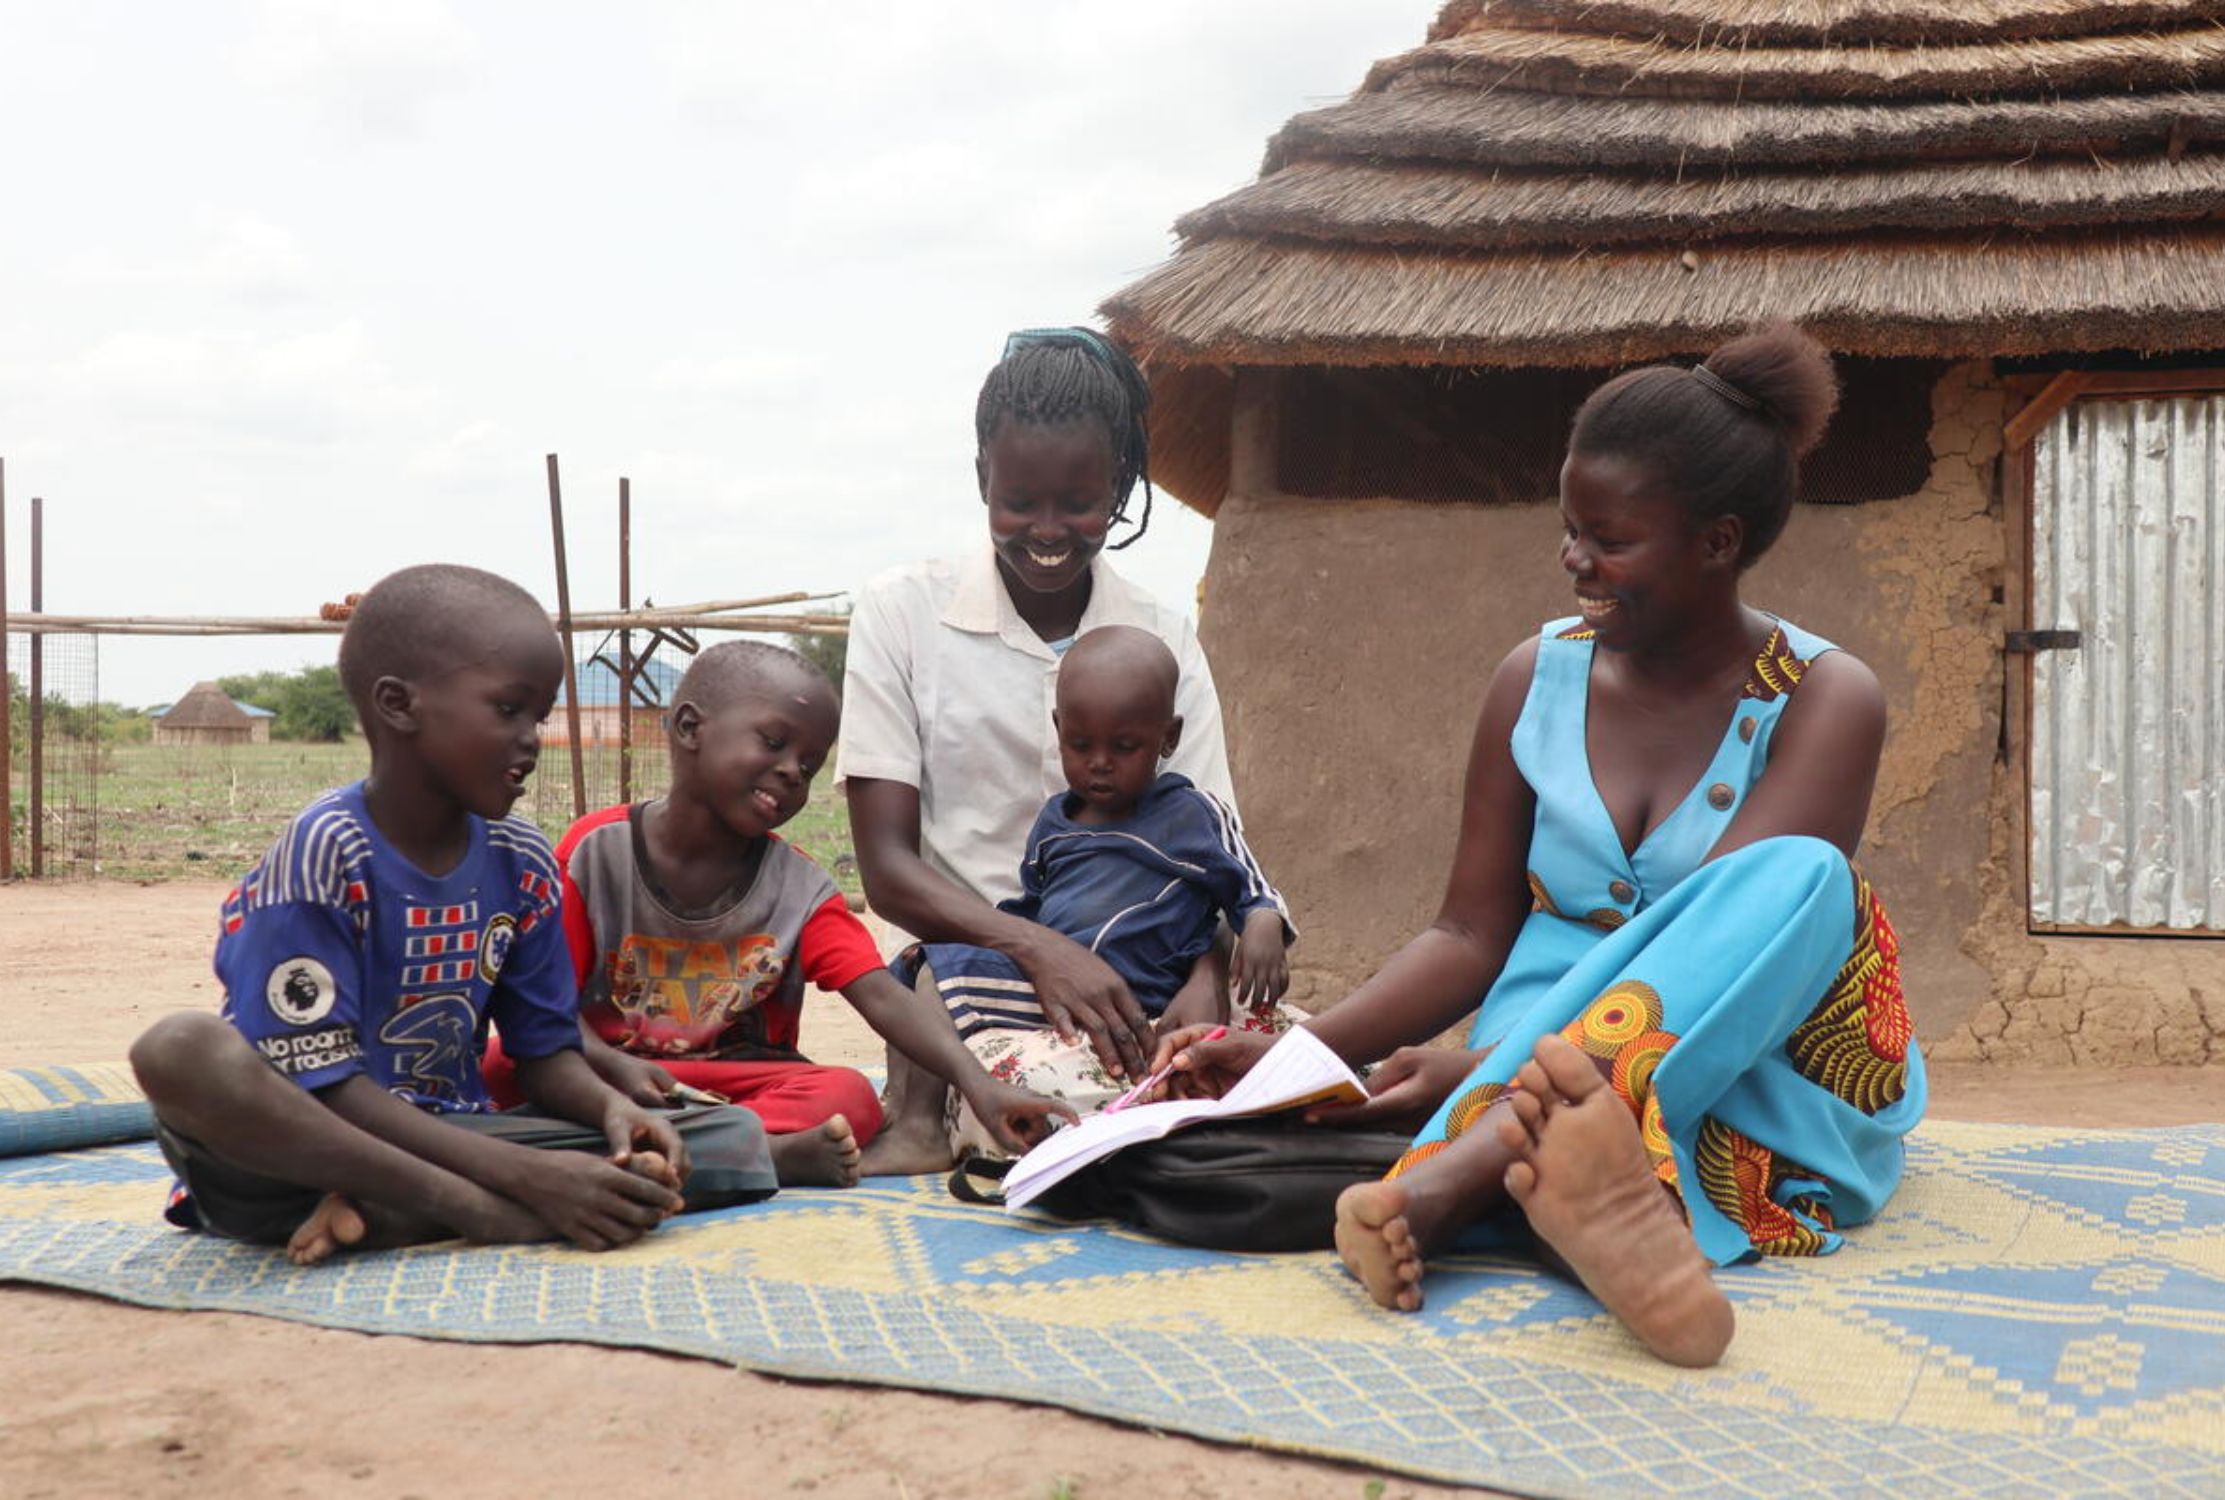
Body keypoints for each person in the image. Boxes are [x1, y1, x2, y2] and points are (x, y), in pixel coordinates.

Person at [1156, 326, 1925, 1369]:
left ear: (1716, 540)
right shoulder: (1534, 679)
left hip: (1748, 1074)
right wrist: (1310, 1054)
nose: (1574, 560)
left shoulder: (1825, 699)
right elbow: (1470, 931)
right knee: (1522, 1094)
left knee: (1803, 878)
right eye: (1569, 529)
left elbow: (1741, 959)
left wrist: (1481, 1070)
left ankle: (1460, 1179)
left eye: (1608, 538)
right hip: (1523, 1058)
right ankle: (1576, 1193)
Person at [129, 564, 779, 1267]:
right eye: (509, 710)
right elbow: (329, 1089)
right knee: (178, 1050)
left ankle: (391, 1215)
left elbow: (546, 1056)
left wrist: (609, 1111)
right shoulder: (326, 852)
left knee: (723, 1137)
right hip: (294, 1147)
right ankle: (472, 1212)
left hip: (451, 1136)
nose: (533, 736)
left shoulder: (522, 862)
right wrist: (519, 1178)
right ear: (399, 706)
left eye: (541, 714)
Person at [838, 327, 1240, 1172]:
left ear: (1122, 488)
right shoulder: (902, 616)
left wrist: (1205, 983)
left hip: (1145, 975)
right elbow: (886, 869)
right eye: (1019, 500)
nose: (1047, 529)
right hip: (972, 975)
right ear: (983, 477)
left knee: (1258, 1081)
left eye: (1080, 502)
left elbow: (1212, 852)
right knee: (1031, 1124)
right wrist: (1039, 949)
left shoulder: (1161, 642)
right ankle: (933, 1118)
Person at [480, 639, 1074, 1182]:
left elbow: (881, 995)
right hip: (603, 1073)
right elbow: (548, 1010)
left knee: (848, 1096)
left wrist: (981, 1084)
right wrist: (609, 1066)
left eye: (810, 765)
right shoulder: (594, 854)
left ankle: (637, 1151)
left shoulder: (799, 888)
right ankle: (761, 1156)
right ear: (690, 728)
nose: (793, 771)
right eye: (773, 742)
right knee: (503, 1061)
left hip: (726, 1088)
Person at [899, 625, 1293, 1133]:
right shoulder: (1053, 823)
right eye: (1080, 744)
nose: (1099, 764)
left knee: (941, 985)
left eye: (1124, 746)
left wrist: (1263, 921)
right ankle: (913, 1117)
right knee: (924, 969)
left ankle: (929, 1125)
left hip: (1143, 991)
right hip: (1055, 990)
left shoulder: (1191, 814)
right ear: (1058, 727)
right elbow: (1030, 914)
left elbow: (1250, 884)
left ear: (1168, 737)